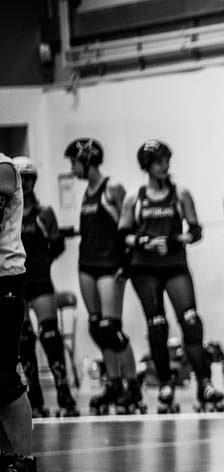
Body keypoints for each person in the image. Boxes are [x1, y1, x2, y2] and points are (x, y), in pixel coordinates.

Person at [118, 140, 224, 414]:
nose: (164, 166)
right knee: (157, 325)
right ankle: (166, 383)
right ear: (147, 166)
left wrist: (177, 240)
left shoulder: (181, 194)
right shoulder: (134, 197)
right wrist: (144, 242)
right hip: (145, 268)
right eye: (158, 162)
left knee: (190, 321)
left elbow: (197, 230)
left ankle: (204, 382)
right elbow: (123, 235)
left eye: (166, 160)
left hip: (175, 264)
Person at [64, 138, 146, 415]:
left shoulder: (111, 187)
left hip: (110, 264)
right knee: (97, 327)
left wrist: (127, 263)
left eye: (73, 163)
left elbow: (128, 224)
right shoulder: (87, 191)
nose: (72, 169)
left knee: (112, 328)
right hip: (87, 264)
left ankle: (132, 383)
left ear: (86, 160)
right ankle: (113, 383)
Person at [13, 157, 78, 418]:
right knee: (24, 339)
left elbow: (58, 243)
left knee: (50, 334)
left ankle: (64, 392)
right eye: (22, 178)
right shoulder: (8, 214)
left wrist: (43, 263)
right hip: (16, 282)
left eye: (30, 179)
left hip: (39, 281)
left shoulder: (44, 213)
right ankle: (35, 396)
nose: (26, 184)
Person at [0, 152, 40, 472]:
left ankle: (23, 464)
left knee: (3, 375)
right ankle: (6, 462)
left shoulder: (3, 168)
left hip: (5, 280)